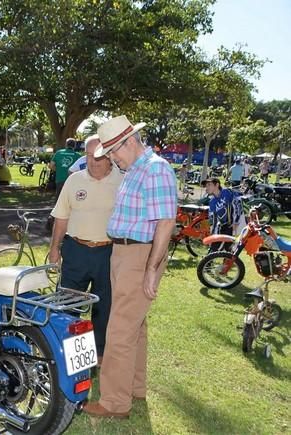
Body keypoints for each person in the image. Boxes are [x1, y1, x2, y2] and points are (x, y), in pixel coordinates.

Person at [83, 115, 176, 419]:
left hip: (138, 255)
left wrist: (151, 268)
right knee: (135, 326)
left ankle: (113, 403)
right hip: (123, 253)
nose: (111, 158)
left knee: (120, 330)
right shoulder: (135, 169)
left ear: (130, 141)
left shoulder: (155, 168)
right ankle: (133, 389)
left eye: (112, 152)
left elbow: (166, 221)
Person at [48, 135, 122, 362]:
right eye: (88, 155)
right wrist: (54, 249)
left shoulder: (123, 182)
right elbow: (61, 217)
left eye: (98, 156)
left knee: (104, 307)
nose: (92, 161)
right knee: (68, 303)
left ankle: (98, 355)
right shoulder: (74, 180)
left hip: (108, 253)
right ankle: (71, 354)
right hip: (76, 250)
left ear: (110, 156)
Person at [201, 177, 244, 252]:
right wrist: (213, 236)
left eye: (209, 185)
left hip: (238, 222)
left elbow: (238, 204)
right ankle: (209, 261)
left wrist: (236, 222)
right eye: (206, 186)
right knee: (217, 246)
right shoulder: (212, 202)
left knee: (233, 247)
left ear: (217, 185)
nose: (206, 188)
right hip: (225, 226)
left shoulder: (227, 192)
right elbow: (213, 221)